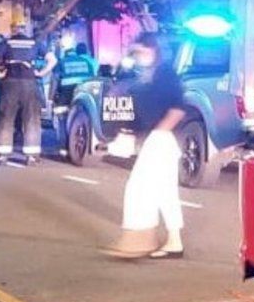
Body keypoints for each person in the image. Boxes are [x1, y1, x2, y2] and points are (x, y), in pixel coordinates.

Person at [101, 33, 186, 259]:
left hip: (162, 139)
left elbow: (178, 107)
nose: (137, 57)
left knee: (138, 188)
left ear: (152, 50)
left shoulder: (166, 74)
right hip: (156, 138)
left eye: (140, 52)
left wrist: (159, 132)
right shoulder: (147, 76)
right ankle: (174, 241)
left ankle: (137, 240)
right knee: (164, 192)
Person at [0, 21, 56, 164]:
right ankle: (31, 156)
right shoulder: (34, 43)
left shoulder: (7, 43)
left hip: (10, 83)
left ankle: (2, 155)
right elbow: (52, 60)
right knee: (32, 119)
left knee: (5, 117)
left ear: (13, 30)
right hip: (29, 83)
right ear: (26, 30)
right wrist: (41, 73)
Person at [56, 42, 97, 107]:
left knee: (62, 107)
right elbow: (93, 77)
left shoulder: (62, 62)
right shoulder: (86, 61)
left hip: (67, 89)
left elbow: (56, 78)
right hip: (84, 88)